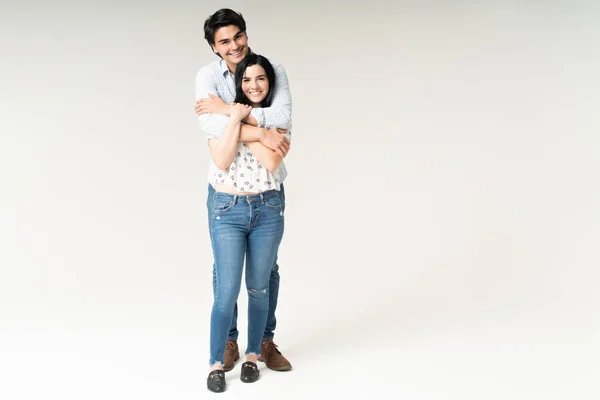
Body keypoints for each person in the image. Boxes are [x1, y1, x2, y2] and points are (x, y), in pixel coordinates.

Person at [195, 9, 292, 393]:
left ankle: (261, 343)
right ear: (215, 48)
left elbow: (282, 116)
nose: (234, 45)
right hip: (227, 203)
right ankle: (228, 343)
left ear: (246, 35)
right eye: (224, 41)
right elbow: (211, 130)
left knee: (264, 279)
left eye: (238, 36)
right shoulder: (208, 77)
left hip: (268, 202)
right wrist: (260, 130)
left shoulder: (272, 69)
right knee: (227, 280)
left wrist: (231, 113)